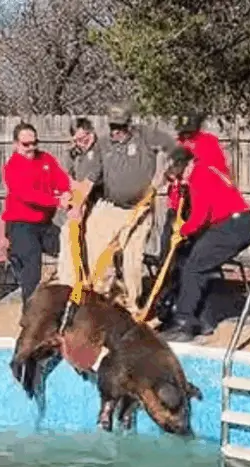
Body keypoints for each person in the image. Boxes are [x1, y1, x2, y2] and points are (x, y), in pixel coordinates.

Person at [68, 103, 180, 313]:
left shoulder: (145, 136)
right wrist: (77, 205)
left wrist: (166, 174)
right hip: (111, 208)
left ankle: (131, 307)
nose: (116, 131)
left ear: (129, 124)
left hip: (139, 210)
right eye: (113, 126)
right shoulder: (103, 144)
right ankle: (102, 300)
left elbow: (175, 148)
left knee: (132, 260)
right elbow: (90, 179)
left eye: (120, 126)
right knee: (98, 256)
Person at [158, 147, 250, 343]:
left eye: (181, 175)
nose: (181, 181)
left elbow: (200, 216)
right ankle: (203, 318)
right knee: (196, 263)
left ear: (188, 165)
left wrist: (183, 231)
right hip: (232, 223)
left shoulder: (200, 176)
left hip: (234, 225)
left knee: (193, 267)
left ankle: (184, 323)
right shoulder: (204, 170)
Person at [156, 112, 232, 320]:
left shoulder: (208, 144)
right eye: (183, 133)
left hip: (198, 207)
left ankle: (192, 305)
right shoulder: (178, 144)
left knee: (193, 257)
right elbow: (171, 170)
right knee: (168, 255)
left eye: (189, 133)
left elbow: (214, 170)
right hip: (177, 207)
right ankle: (166, 299)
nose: (185, 137)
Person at [1, 121, 72, 310]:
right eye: (26, 144)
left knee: (71, 249)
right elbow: (28, 195)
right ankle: (31, 316)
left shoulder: (45, 159)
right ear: (16, 144)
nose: (31, 148)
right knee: (32, 272)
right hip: (21, 225)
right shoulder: (12, 167)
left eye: (34, 143)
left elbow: (61, 179)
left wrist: (66, 192)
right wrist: (56, 201)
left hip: (44, 224)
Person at [55, 117, 100, 287]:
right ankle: (69, 283)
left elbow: (89, 183)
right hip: (81, 200)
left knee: (95, 237)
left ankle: (100, 285)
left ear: (91, 133)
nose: (81, 143)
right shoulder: (73, 153)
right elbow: (66, 178)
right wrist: (67, 194)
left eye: (84, 138)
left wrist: (78, 205)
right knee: (67, 234)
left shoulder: (101, 151)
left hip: (101, 201)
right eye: (77, 140)